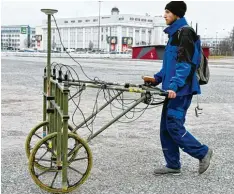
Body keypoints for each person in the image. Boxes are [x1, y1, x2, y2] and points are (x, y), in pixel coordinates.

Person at [142, 1, 213, 175]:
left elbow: (185, 65)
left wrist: (174, 86)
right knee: (166, 128)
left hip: (181, 90)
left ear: (177, 14)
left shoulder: (186, 33)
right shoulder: (174, 34)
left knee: (173, 125)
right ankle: (173, 165)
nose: (164, 15)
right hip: (172, 90)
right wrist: (156, 79)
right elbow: (169, 66)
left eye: (167, 12)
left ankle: (203, 152)